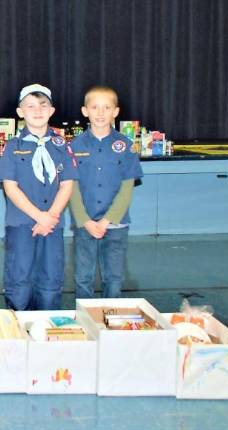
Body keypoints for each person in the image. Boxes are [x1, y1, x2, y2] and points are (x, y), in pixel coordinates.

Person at [0, 84, 77, 311]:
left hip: (52, 225)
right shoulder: (13, 147)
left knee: (51, 277)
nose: (37, 110)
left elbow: (67, 184)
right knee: (19, 277)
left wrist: (50, 217)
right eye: (30, 106)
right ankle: (19, 329)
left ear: (51, 111)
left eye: (43, 105)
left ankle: (47, 329)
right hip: (21, 223)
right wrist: (38, 216)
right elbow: (10, 188)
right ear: (20, 112)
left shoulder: (62, 145)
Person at [69, 85, 143, 298]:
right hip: (85, 224)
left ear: (115, 112)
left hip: (116, 224)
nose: (100, 113)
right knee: (83, 276)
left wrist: (108, 220)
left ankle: (112, 321)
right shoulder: (75, 146)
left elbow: (127, 188)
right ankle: (85, 319)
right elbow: (71, 187)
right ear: (85, 111)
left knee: (114, 277)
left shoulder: (125, 145)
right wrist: (85, 220)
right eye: (94, 107)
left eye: (106, 107)